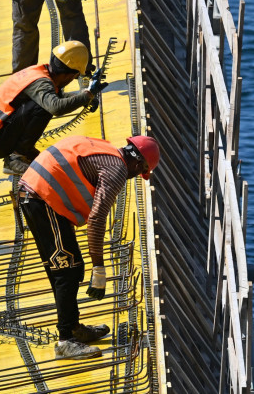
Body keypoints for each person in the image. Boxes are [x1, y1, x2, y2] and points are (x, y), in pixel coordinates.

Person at [18, 135, 160, 359]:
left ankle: (73, 328)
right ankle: (66, 341)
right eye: (138, 172)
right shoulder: (117, 170)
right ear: (137, 164)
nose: (132, 177)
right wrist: (99, 268)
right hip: (41, 198)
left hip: (38, 194)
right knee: (67, 271)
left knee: (64, 268)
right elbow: (96, 220)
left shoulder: (107, 150)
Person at [0, 41, 107, 176]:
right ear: (68, 75)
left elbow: (59, 95)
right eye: (75, 77)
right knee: (44, 107)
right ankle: (16, 157)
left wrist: (84, 98)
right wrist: (87, 95)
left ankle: (24, 150)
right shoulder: (41, 83)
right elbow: (56, 107)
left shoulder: (41, 73)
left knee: (47, 102)